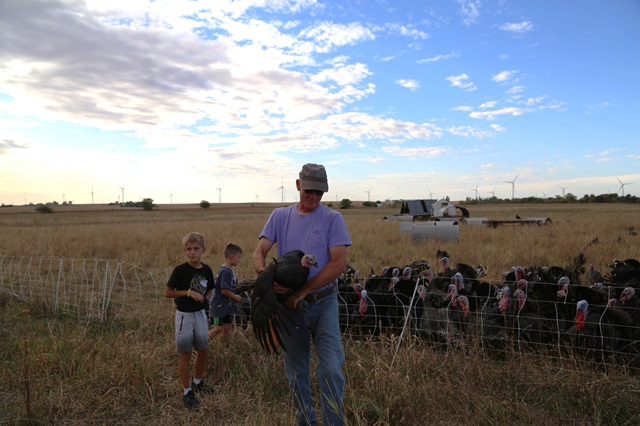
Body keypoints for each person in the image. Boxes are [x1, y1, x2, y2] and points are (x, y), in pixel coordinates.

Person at [252, 163, 352, 426]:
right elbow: (258, 253)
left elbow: (339, 264)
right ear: (298, 185)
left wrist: (304, 291)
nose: (314, 197)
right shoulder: (279, 216)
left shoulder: (332, 219)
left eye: (319, 193)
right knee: (296, 373)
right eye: (309, 191)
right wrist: (268, 280)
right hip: (288, 307)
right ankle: (306, 422)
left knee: (331, 369)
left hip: (323, 302)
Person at [165, 232, 215, 409]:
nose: (192, 252)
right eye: (189, 249)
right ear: (184, 251)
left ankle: (198, 382)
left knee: (203, 350)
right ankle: (187, 391)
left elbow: (210, 288)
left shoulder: (206, 270)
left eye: (196, 249)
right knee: (185, 353)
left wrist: (206, 297)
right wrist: (188, 292)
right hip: (184, 316)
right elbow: (168, 292)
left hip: (201, 315)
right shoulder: (180, 270)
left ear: (203, 250)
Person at [208, 243, 243, 343]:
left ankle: (225, 345)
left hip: (225, 307)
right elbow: (224, 290)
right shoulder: (225, 271)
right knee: (218, 328)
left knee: (227, 326)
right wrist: (235, 297)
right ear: (232, 256)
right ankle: (201, 343)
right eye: (239, 257)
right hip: (218, 307)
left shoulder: (228, 270)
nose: (239, 260)